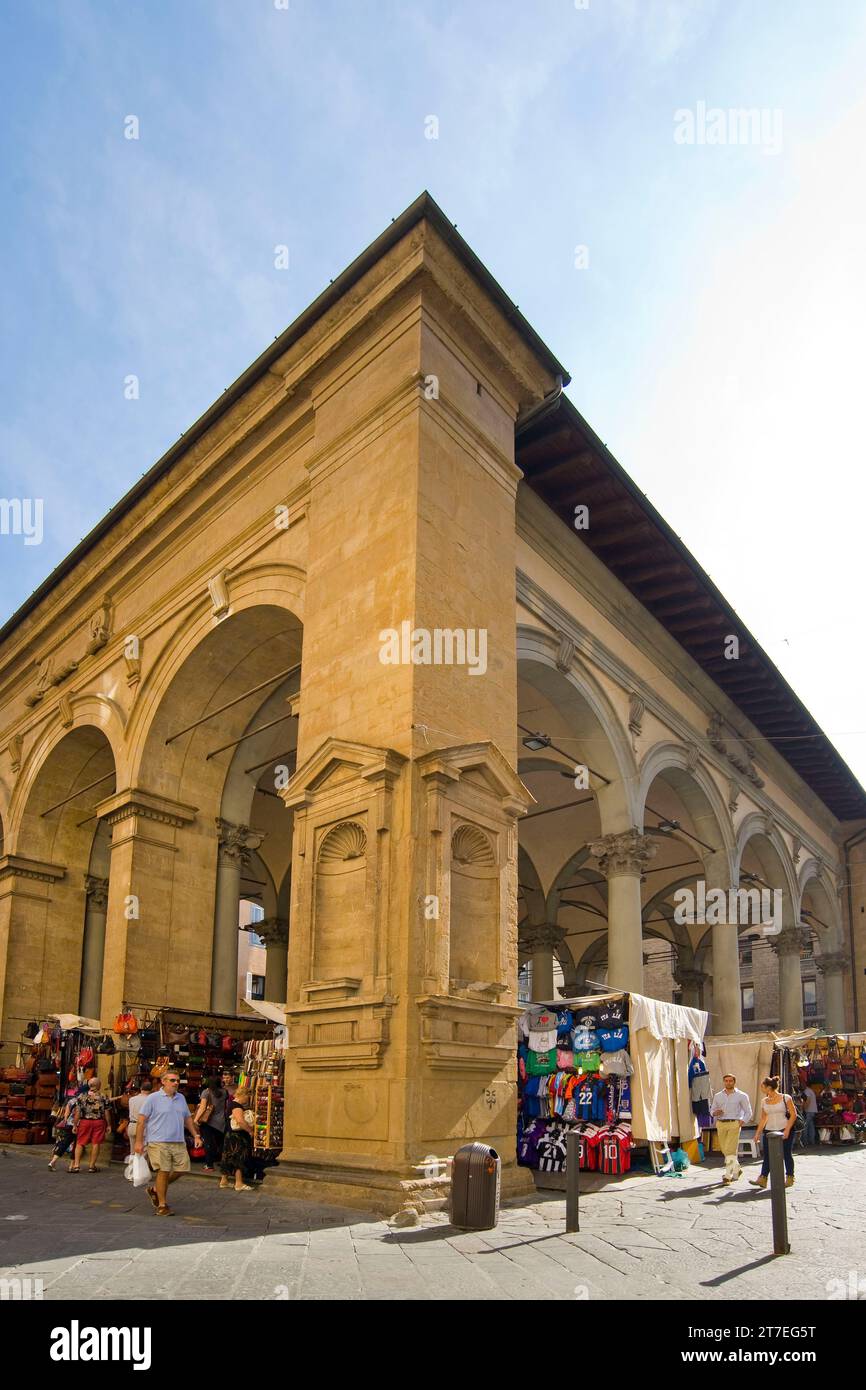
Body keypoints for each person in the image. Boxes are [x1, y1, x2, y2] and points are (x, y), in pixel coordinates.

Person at [133, 1071, 202, 1216]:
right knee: (163, 1171)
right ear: (163, 1081)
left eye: (177, 1080)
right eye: (172, 1080)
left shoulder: (181, 1098)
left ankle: (156, 1190)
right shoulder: (153, 1098)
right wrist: (139, 1142)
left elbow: (187, 1119)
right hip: (158, 1141)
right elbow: (141, 1120)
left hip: (178, 1141)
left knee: (183, 1169)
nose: (176, 1083)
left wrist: (196, 1135)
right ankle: (162, 1205)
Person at [750, 1075, 797, 1189]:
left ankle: (790, 1177)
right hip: (769, 1130)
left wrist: (787, 1130)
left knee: (786, 1153)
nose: (761, 1088)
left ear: (769, 1087)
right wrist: (757, 1133)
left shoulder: (786, 1098)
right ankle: (763, 1178)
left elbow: (793, 1115)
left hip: (784, 1128)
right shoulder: (764, 1101)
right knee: (768, 1155)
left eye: (763, 1086)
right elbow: (763, 1118)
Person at [710, 1073, 753, 1184]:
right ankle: (737, 1169)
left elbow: (748, 1112)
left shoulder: (742, 1095)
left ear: (734, 1082)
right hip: (721, 1123)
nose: (728, 1083)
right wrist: (715, 1112)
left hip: (734, 1123)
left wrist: (742, 1121)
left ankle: (728, 1176)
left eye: (730, 1081)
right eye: (726, 1081)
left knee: (730, 1150)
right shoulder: (718, 1095)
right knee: (725, 1150)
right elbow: (712, 1109)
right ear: (724, 1082)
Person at [69, 1077, 115, 1173]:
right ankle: (92, 1166)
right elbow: (107, 1112)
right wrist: (109, 1125)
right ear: (98, 1085)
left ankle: (76, 1165)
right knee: (96, 1143)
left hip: (84, 1122)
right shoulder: (103, 1096)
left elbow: (77, 1112)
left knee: (80, 1142)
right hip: (99, 1122)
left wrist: (74, 1125)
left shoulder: (81, 1096)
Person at [219, 1088, 255, 1192]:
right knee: (238, 1158)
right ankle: (239, 1183)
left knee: (228, 1156)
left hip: (230, 1135)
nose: (248, 1099)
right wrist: (250, 1131)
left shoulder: (231, 1104)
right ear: (243, 1095)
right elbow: (240, 1121)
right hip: (237, 1136)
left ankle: (224, 1181)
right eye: (247, 1096)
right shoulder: (236, 1106)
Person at [195, 1077, 228, 1172]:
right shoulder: (224, 1092)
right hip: (221, 1122)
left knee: (208, 1143)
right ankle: (223, 1164)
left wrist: (196, 1119)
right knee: (221, 1144)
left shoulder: (206, 1092)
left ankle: (209, 1165)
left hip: (208, 1121)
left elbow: (202, 1107)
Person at [48, 1090, 83, 1170]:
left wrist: (66, 1121)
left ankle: (52, 1162)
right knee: (76, 1145)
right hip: (79, 1125)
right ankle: (71, 1165)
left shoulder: (71, 1101)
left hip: (69, 1124)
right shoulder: (84, 1101)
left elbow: (66, 1114)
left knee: (64, 1143)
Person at [127, 1078, 152, 1150]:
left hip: (132, 1125)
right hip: (144, 1127)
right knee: (143, 1153)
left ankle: (132, 1161)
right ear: (151, 1089)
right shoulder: (150, 1100)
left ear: (141, 1088)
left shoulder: (132, 1099)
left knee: (132, 1151)